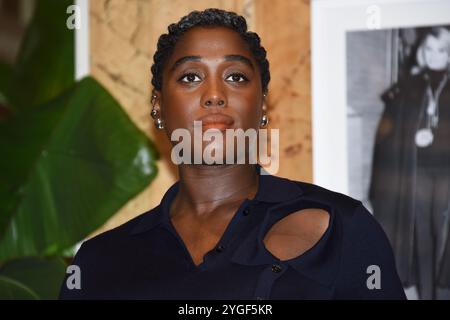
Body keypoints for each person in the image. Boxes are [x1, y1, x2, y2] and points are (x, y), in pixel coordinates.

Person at [59, 8, 405, 300]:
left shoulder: (342, 227)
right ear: (159, 106)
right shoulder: (98, 263)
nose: (214, 95)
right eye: (191, 76)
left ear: (262, 103)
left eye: (236, 77)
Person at [369, 27, 450, 299]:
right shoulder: (410, 85)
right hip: (417, 174)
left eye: (440, 50)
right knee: (422, 237)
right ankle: (427, 295)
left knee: (444, 237)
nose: (433, 56)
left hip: (447, 174)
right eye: (428, 49)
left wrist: (434, 135)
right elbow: (391, 133)